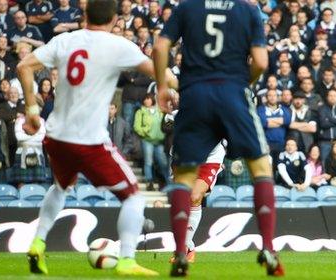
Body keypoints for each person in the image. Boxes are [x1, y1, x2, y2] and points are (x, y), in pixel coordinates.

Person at [17, 0, 176, 276]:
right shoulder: (118, 46)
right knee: (134, 197)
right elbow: (163, 74)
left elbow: (23, 66)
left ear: (84, 15)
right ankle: (126, 260)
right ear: (115, 19)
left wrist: (32, 111)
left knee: (60, 187)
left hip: (56, 137)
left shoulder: (65, 40)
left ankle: (38, 242)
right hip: (88, 141)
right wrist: (172, 87)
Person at [153, 0, 285, 275]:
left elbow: (159, 47)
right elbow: (261, 61)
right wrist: (242, 83)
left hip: (195, 95)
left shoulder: (187, 8)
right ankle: (268, 248)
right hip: (233, 94)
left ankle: (180, 251)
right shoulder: (248, 10)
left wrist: (162, 87)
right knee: (261, 168)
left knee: (184, 178)